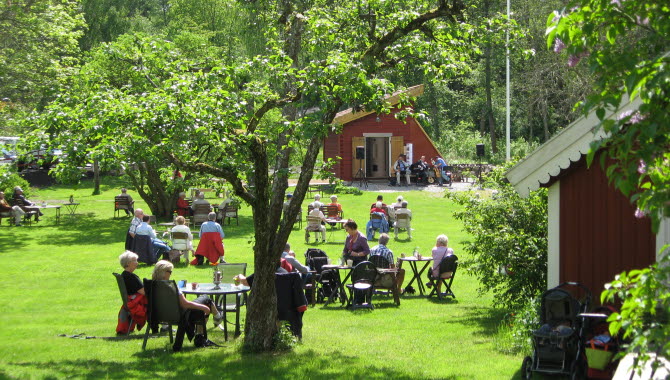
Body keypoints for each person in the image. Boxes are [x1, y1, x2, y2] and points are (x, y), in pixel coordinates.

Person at [151, 260, 222, 350]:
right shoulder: (171, 286)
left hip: (160, 315)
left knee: (205, 302)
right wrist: (204, 308)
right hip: (180, 315)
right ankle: (216, 318)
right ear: (164, 272)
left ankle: (214, 319)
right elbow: (185, 304)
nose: (171, 274)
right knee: (206, 299)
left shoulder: (152, 285)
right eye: (170, 272)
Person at [116, 251, 147, 334]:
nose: (137, 263)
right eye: (135, 261)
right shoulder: (131, 277)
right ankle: (161, 327)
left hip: (130, 302)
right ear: (128, 263)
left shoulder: (124, 275)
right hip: (137, 304)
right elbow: (144, 292)